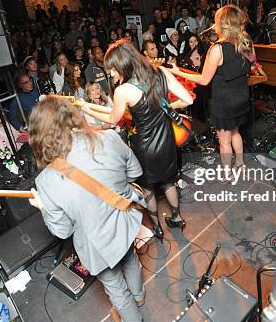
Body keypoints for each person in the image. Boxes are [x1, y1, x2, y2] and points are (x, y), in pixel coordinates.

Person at [27, 96, 146, 322]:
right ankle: (140, 296)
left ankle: (134, 316)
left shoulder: (46, 181)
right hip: (124, 221)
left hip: (97, 246)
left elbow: (62, 231)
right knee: (131, 259)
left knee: (115, 287)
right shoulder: (109, 137)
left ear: (39, 136)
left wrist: (43, 206)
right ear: (72, 115)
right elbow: (134, 173)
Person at [80, 40, 193, 238]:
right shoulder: (161, 72)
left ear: (123, 65)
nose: (112, 74)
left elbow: (113, 120)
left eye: (112, 70)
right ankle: (177, 217)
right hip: (166, 141)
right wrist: (164, 107)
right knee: (168, 181)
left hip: (145, 146)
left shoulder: (124, 90)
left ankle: (157, 227)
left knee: (148, 187)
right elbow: (188, 100)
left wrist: (88, 109)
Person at [170, 5, 255, 176]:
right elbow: (250, 66)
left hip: (224, 102)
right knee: (236, 132)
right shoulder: (246, 42)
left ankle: (227, 174)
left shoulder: (217, 48)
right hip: (241, 98)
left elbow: (204, 80)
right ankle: (240, 165)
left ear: (222, 23)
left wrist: (177, 71)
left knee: (224, 141)